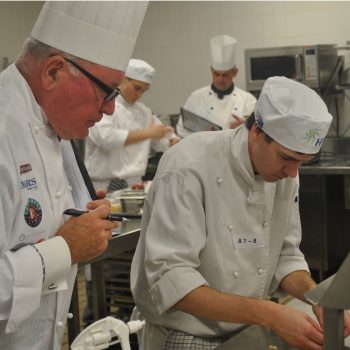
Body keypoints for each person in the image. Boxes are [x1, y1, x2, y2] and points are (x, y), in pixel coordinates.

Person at [131, 76, 350, 350]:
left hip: (246, 327)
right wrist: (270, 314)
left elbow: (285, 256)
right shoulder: (188, 166)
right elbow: (171, 279)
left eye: (302, 163)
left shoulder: (285, 175)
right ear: (256, 132)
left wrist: (319, 299)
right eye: (287, 158)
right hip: (185, 330)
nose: (292, 173)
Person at [0, 2, 148, 349]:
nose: (111, 107)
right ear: (53, 72)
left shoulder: (52, 123)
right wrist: (65, 248)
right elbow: (57, 246)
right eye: (107, 90)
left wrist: (83, 219)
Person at [85, 58, 180, 190]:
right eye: (137, 88)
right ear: (123, 79)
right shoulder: (105, 104)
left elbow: (162, 138)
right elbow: (106, 138)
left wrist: (172, 142)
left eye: (144, 90)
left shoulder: (144, 112)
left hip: (135, 184)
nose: (139, 94)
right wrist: (148, 133)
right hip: (104, 185)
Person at [176, 34, 257, 138]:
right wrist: (202, 135)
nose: (220, 79)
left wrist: (245, 127)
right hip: (204, 153)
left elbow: (258, 134)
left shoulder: (248, 101)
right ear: (211, 70)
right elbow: (181, 129)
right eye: (216, 74)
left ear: (235, 72)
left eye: (225, 75)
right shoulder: (196, 98)